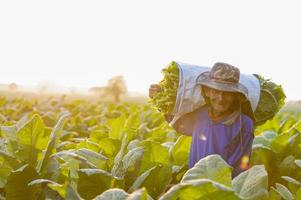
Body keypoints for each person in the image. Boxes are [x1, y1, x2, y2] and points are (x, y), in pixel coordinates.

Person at [149, 62, 254, 177]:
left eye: (227, 93)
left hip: (220, 191)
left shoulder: (244, 125)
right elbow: (179, 124)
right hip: (193, 184)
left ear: (235, 96)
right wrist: (158, 98)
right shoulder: (200, 114)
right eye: (216, 91)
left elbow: (238, 169)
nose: (220, 98)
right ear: (207, 92)